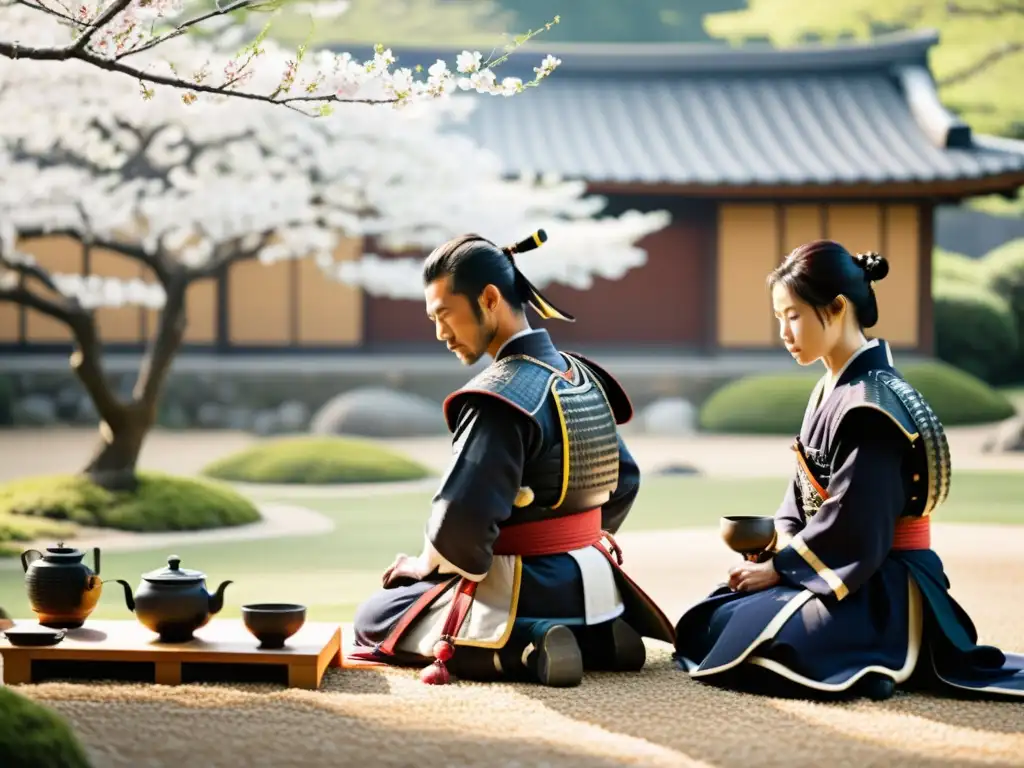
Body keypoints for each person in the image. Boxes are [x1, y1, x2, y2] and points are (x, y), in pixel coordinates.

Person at [673, 239, 1024, 701]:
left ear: (836, 308)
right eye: (779, 318)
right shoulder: (829, 390)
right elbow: (800, 499)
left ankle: (874, 661)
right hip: (832, 567)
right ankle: (862, 663)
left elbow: (855, 521)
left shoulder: (872, 405)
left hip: (879, 580)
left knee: (779, 647)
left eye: (793, 315)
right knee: (709, 618)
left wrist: (782, 567)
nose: (783, 331)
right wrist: (773, 546)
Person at [350, 230, 675, 687]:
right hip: (594, 581)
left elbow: (461, 521)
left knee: (376, 617)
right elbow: (625, 480)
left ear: (488, 299)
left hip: (524, 585)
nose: (440, 333)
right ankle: (596, 637)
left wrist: (423, 563)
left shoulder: (499, 396)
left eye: (445, 315)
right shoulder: (580, 374)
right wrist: (570, 536)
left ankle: (528, 644)